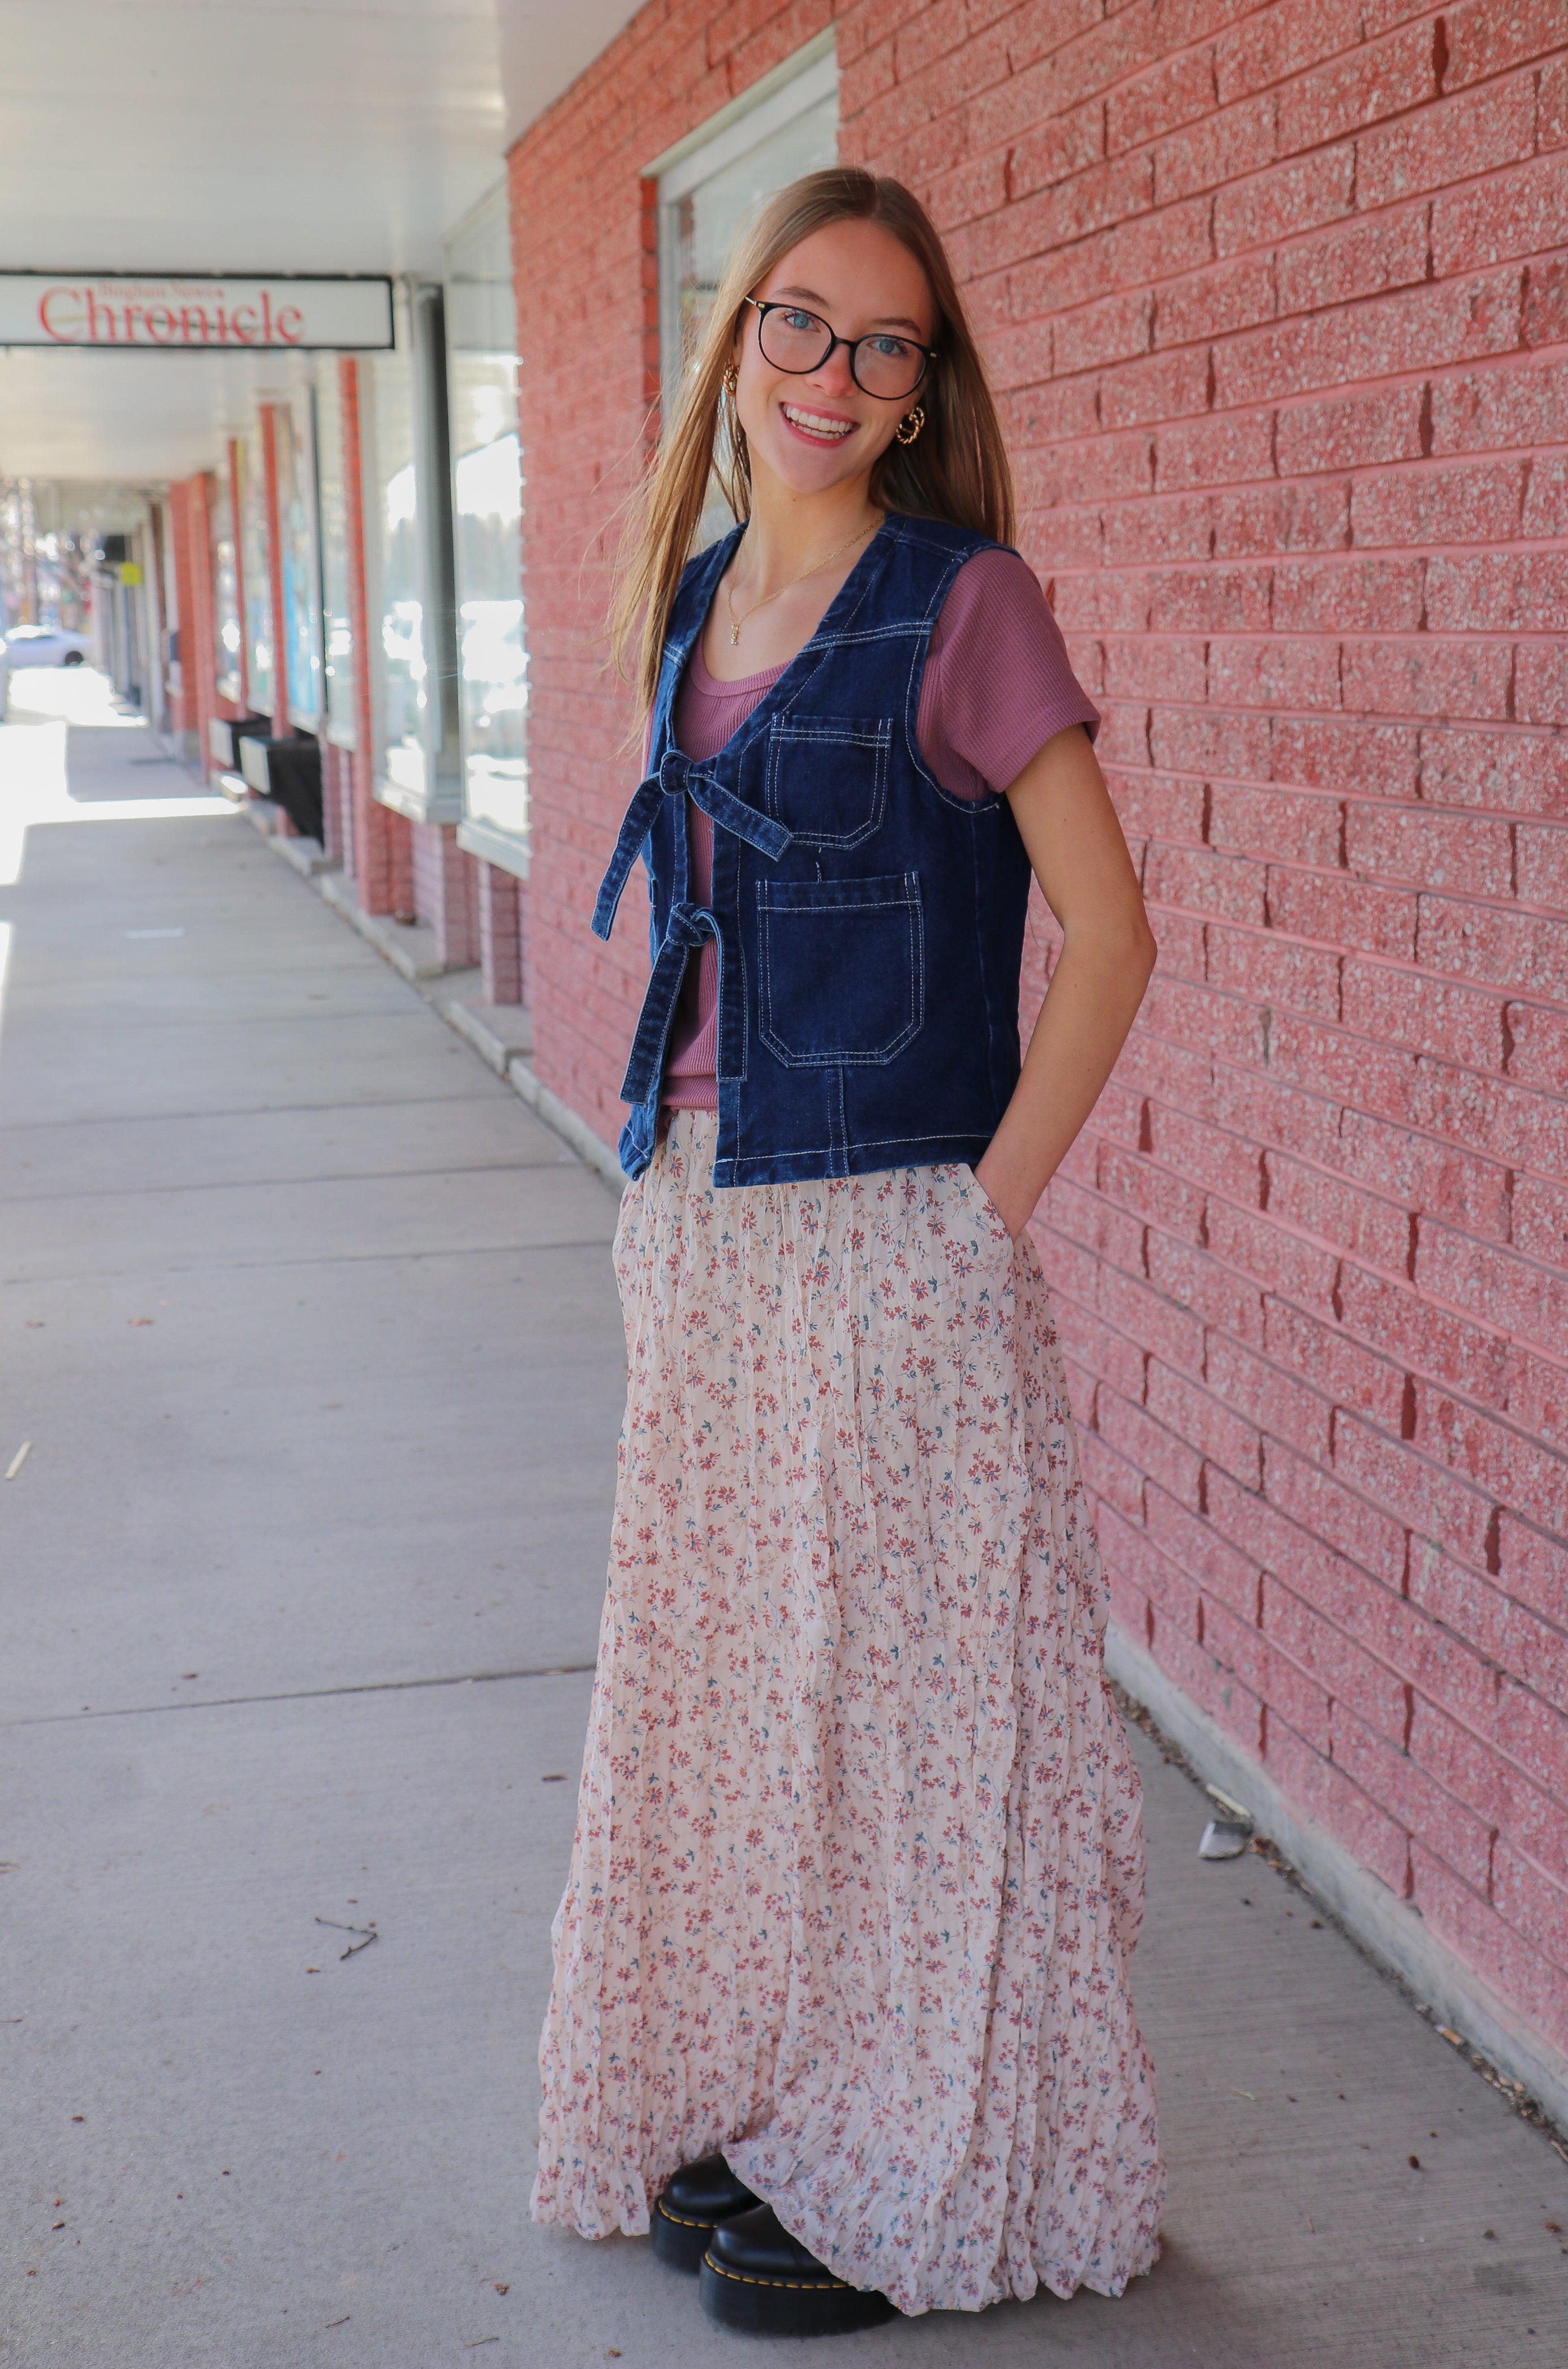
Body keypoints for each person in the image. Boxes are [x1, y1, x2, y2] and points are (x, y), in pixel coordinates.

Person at [532, 166, 1165, 2338]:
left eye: (883, 344)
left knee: (908, 1726)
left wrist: (977, 1221)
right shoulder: (700, 596)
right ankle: (796, 2085)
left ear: (920, 392)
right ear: (739, 344)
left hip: (892, 1236)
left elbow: (1113, 941)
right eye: (798, 325)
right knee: (748, 1711)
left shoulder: (965, 605)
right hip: (711, 1233)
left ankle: (921, 2147)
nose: (832, 372)